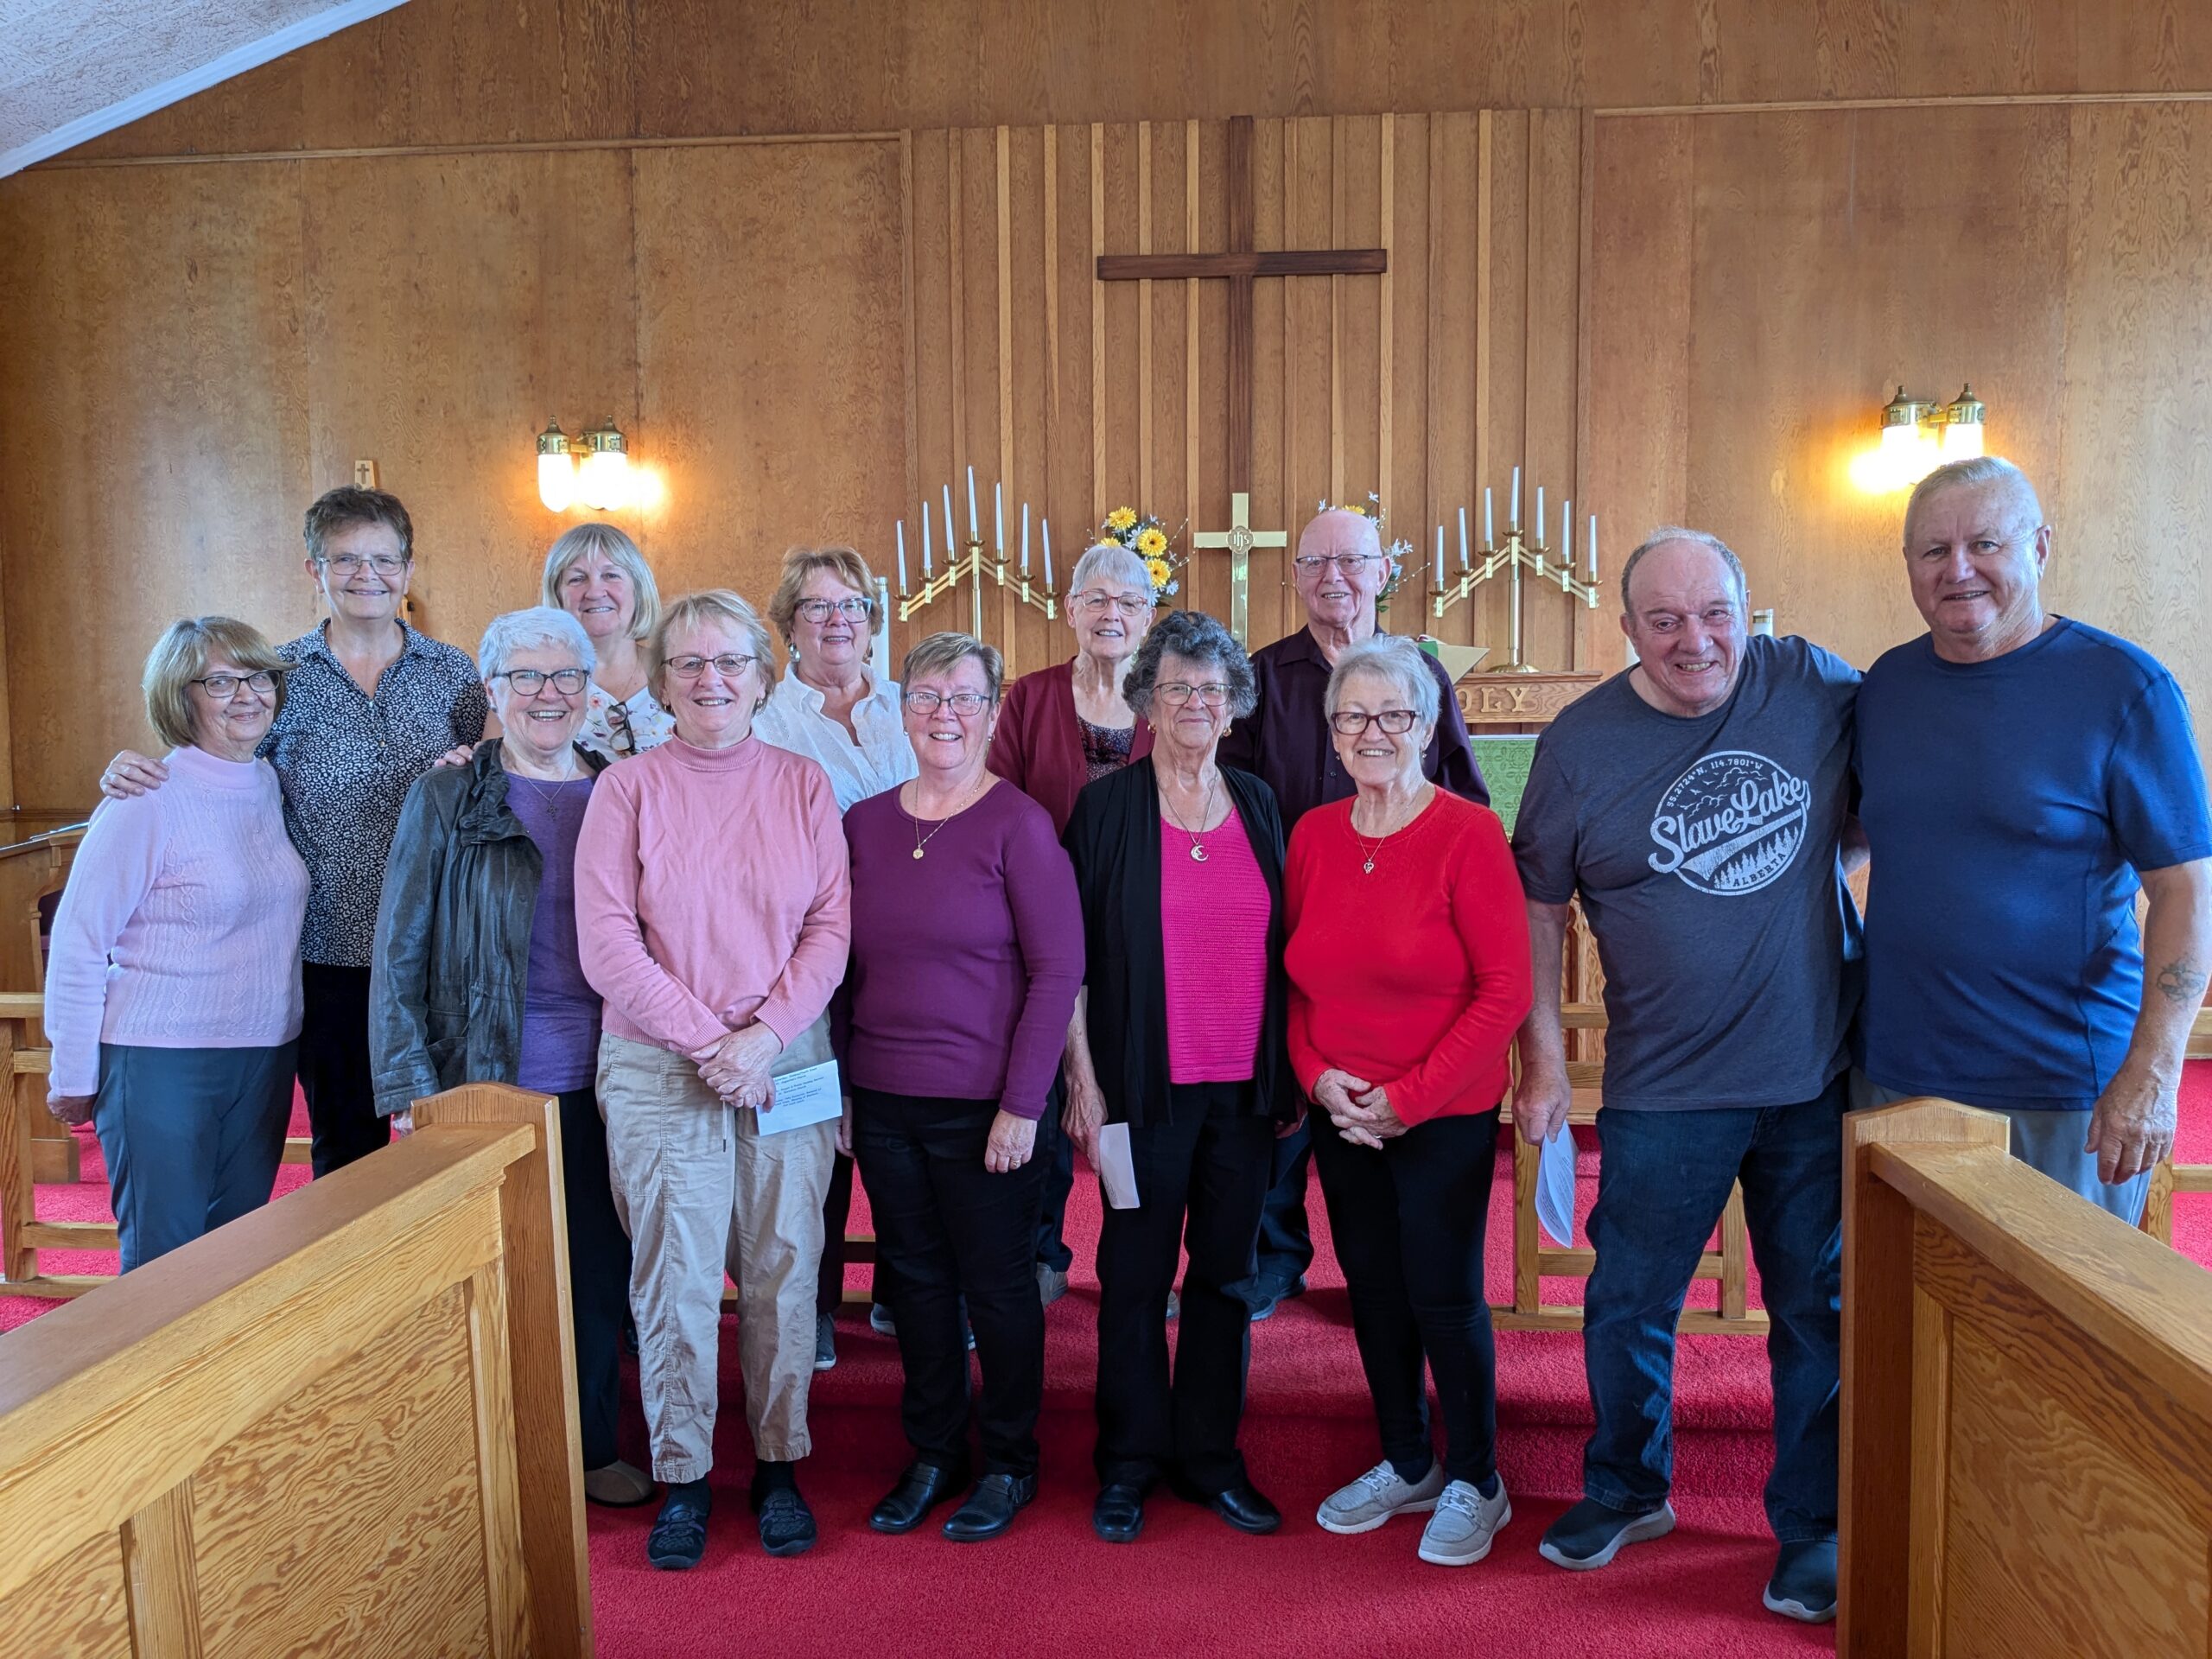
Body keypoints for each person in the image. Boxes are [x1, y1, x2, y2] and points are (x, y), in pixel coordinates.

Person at [1511, 528, 1862, 1624]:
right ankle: (1626, 1488)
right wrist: (1539, 1065)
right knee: (1627, 1304)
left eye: (1715, 614)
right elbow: (1536, 907)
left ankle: (1811, 1527)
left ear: (1749, 611)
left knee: (1817, 1310)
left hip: (1812, 1076)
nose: (1694, 641)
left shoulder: (1807, 681)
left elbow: (1899, 786)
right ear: (1625, 630)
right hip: (1663, 1086)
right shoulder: (1579, 744)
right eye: (1663, 620)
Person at [1855, 456, 2212, 1222]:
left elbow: (2185, 889)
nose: (1959, 570)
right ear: (1910, 565)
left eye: (1986, 544)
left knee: (2059, 1329)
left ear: (2039, 547)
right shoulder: (1885, 687)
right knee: (1899, 1324)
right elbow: (1857, 835)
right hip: (1895, 1074)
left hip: (2061, 1085)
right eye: (1934, 551)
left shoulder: (2124, 689)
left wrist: (2155, 1070)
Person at [575, 589, 849, 1570]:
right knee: (677, 1277)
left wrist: (763, 1036)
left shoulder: (802, 785)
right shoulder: (627, 790)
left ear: (762, 678)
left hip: (785, 1062)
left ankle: (778, 1466)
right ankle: (684, 1476)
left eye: (729, 662)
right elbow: (607, 944)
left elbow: (829, 928)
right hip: (661, 1063)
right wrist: (710, 1041)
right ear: (660, 684)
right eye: (688, 665)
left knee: (783, 1265)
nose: (711, 680)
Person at [99, 486, 488, 1177]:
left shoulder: (454, 674)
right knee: (346, 1150)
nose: (367, 575)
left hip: (439, 952)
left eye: (383, 559)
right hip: (326, 953)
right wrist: (135, 768)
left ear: (408, 568)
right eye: (346, 559)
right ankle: (356, 1286)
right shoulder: (279, 677)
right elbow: (216, 759)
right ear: (315, 569)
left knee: (449, 1143)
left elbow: (493, 782)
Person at [369, 605, 651, 1511]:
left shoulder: (624, 785)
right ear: (490, 692)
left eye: (565, 676)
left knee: (598, 1275)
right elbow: (399, 943)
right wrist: (411, 1084)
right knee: (495, 1275)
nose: (546, 694)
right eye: (523, 677)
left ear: (589, 688)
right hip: (488, 1071)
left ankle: (590, 1447)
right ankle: (489, 1459)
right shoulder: (450, 793)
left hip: (611, 1076)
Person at [1286, 635, 1532, 1567]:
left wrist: (1408, 1099)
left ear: (1427, 727)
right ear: (1333, 734)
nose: (1373, 731)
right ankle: (1406, 1458)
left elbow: (1502, 990)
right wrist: (1316, 1078)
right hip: (1340, 1109)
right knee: (1373, 1292)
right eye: (1354, 716)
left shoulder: (1468, 833)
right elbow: (1295, 985)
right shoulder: (1312, 836)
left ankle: (1477, 1475)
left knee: (1441, 1291)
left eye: (1394, 714)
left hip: (1441, 1113)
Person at [1062, 607, 1300, 1545]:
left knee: (1224, 1279)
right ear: (1146, 704)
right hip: (1138, 1091)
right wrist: (1082, 1083)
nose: (1195, 703)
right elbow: (1068, 959)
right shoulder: (1106, 808)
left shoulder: (1257, 802)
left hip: (1242, 1097)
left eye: (1210, 688)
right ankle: (1126, 1463)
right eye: (1175, 688)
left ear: (1233, 704)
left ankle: (1208, 1458)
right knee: (1131, 1277)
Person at [841, 632, 1083, 1542]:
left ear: (991, 712)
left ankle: (1012, 1462)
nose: (944, 713)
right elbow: (833, 965)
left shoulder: (1017, 823)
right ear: (900, 708)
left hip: (987, 1109)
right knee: (916, 1284)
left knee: (997, 1287)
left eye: (964, 698)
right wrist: (847, 1095)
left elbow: (1058, 970)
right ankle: (936, 1451)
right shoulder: (863, 823)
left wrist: (1025, 1105)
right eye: (927, 695)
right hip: (884, 1096)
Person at [1218, 507, 1488, 1319]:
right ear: (1293, 576)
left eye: (1351, 561)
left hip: (1405, 930)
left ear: (1381, 573)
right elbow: (1231, 800)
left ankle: (1393, 1264)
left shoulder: (1421, 675)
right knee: (1285, 1089)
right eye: (1316, 562)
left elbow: (1463, 790)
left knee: (1389, 1093)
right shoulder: (1261, 675)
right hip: (1295, 922)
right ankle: (1278, 1253)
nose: (1334, 576)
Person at [46, 618, 307, 1272]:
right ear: (178, 696)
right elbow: (79, 944)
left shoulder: (268, 783)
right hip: (162, 1057)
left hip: (264, 1052)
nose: (248, 695)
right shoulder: (146, 798)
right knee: (164, 1268)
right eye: (220, 681)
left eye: (258, 677)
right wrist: (72, 1074)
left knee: (235, 1256)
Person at [753, 544, 918, 1369]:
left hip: (903, 959)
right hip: (803, 961)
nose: (836, 621)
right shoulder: (766, 719)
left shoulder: (908, 706)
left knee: (896, 1120)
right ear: (788, 626)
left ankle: (901, 1289)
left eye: (850, 604)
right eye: (816, 608)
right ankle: (810, 1305)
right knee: (808, 1136)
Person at [989, 539, 1160, 1312]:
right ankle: (1041, 1248)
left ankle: (1135, 1261)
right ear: (1070, 611)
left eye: (1128, 602)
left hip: (1144, 927)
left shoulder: (1169, 696)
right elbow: (998, 803)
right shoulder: (1029, 697)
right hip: (1043, 919)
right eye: (1096, 599)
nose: (1111, 614)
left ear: (1150, 616)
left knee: (1127, 1087)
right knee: (1051, 1088)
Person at [542, 521, 673, 760]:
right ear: (557, 596)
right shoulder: (526, 684)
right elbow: (494, 774)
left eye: (611, 575)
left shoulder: (679, 673)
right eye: (577, 579)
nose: (594, 592)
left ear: (638, 588)